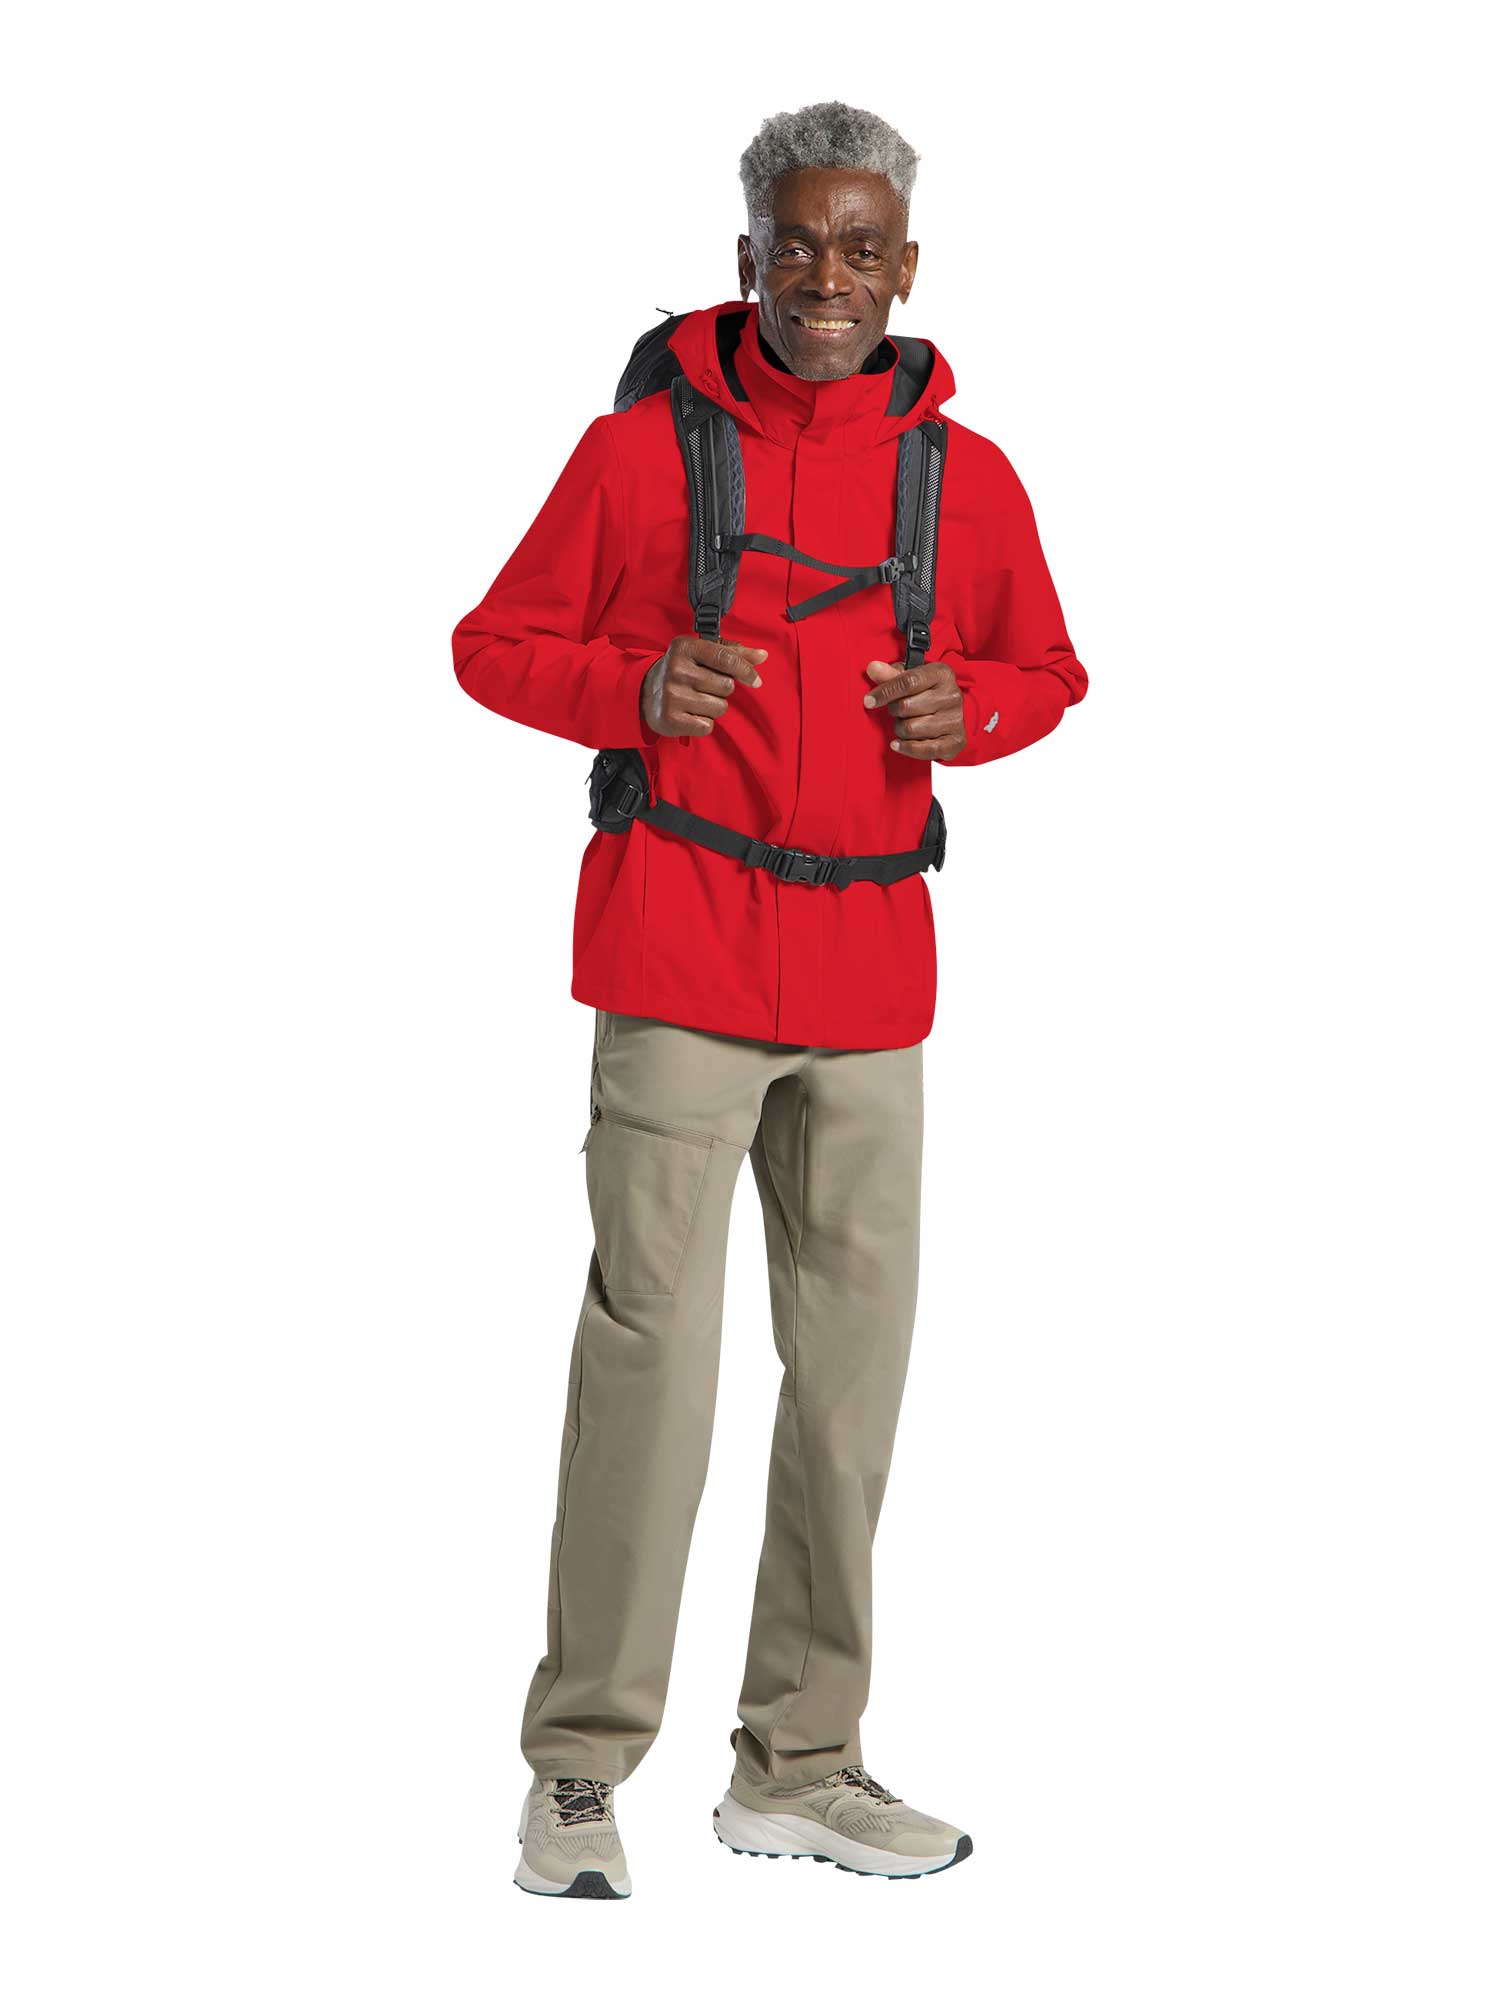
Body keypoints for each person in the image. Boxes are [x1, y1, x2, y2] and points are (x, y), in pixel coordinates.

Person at [452, 100, 1087, 1899]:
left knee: (851, 1388)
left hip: (873, 982)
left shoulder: (971, 478)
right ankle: (579, 1773)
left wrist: (979, 707)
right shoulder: (636, 455)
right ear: (746, 258)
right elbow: (491, 645)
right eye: (796, 244)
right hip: (679, 959)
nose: (827, 278)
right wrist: (632, 688)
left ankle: (801, 1766)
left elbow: (1049, 668)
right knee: (650, 1365)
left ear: (908, 267)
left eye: (860, 248)